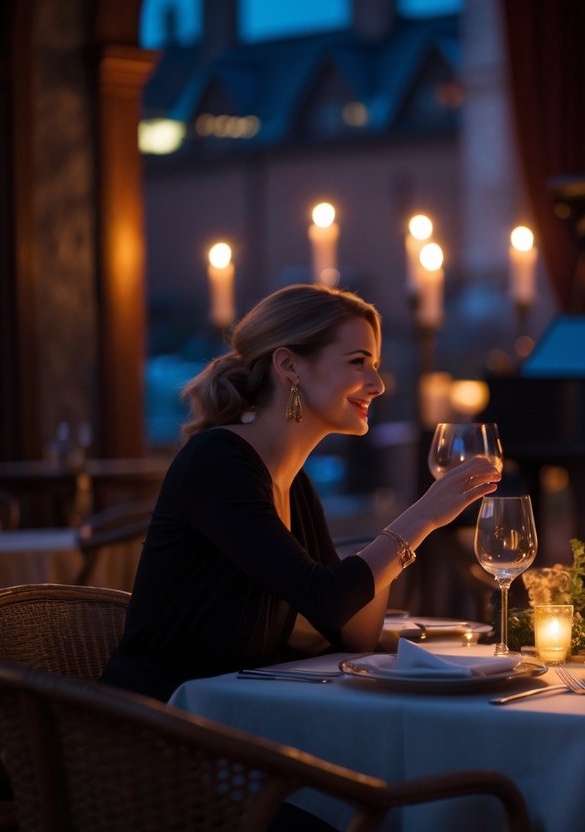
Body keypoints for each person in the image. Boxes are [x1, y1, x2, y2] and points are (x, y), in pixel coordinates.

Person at [101, 284, 500, 702]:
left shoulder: (293, 481)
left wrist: (410, 534)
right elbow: (327, 599)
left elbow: (352, 630)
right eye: (358, 362)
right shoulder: (218, 462)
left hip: (234, 717)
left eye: (376, 365)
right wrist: (422, 517)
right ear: (290, 366)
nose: (378, 384)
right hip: (158, 724)